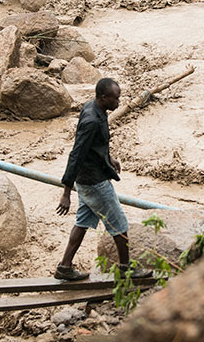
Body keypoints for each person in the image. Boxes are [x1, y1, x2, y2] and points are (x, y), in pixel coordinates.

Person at [55, 78, 152, 281]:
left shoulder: (95, 108)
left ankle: (64, 267)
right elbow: (77, 154)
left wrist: (109, 158)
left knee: (82, 222)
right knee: (120, 224)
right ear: (103, 97)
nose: (119, 102)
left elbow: (94, 146)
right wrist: (66, 193)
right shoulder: (91, 120)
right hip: (94, 182)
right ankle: (126, 269)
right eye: (116, 99)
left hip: (88, 178)